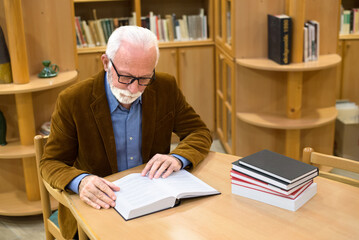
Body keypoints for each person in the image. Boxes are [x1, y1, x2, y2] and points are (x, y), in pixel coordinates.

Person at [40, 25, 212, 239]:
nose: (133, 89)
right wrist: (82, 181)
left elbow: (199, 131)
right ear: (106, 63)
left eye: (144, 79)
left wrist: (178, 157)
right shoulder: (73, 100)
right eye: (126, 77)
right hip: (100, 206)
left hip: (154, 200)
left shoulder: (165, 87)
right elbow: (50, 163)